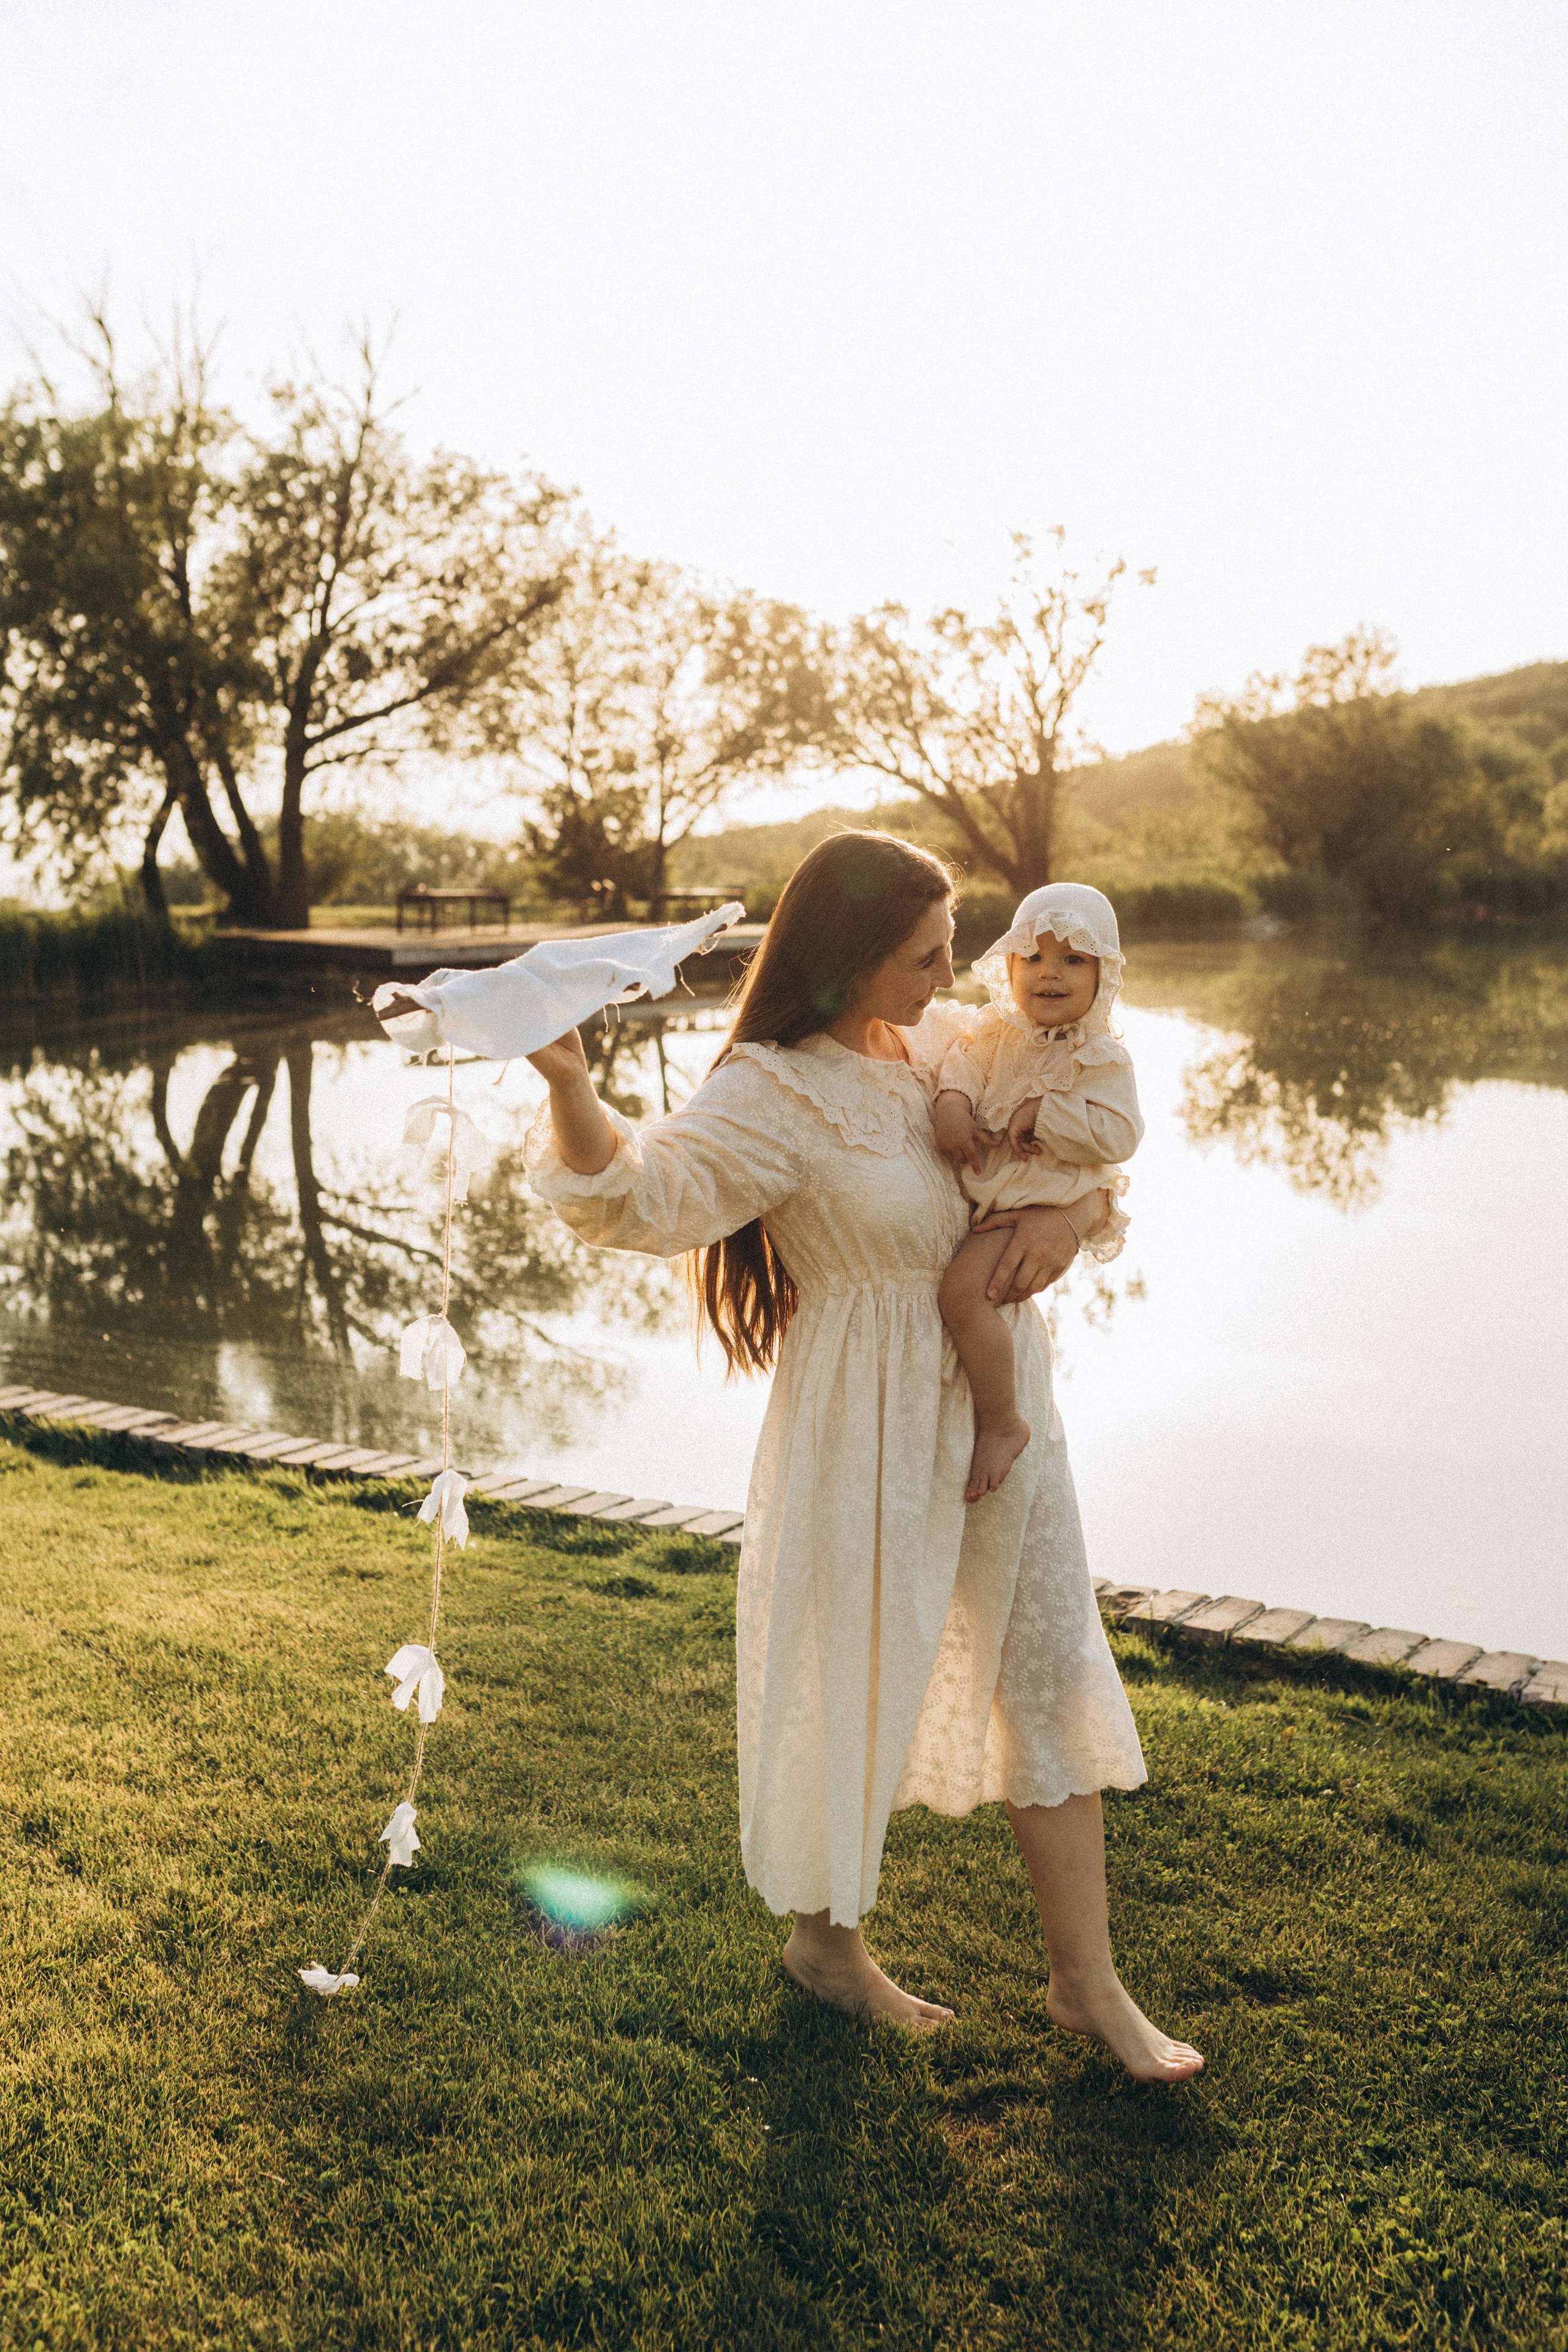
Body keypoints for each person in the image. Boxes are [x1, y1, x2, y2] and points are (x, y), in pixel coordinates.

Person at [523, 831, 1202, 2084]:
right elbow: (641, 1197)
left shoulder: (947, 1045)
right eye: (922, 956)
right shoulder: (775, 1089)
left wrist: (1070, 1215)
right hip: (866, 1418)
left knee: (1050, 1665)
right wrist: (571, 1088)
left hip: (1003, 1407)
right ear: (843, 959)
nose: (953, 977)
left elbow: (1075, 1157)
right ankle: (825, 1947)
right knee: (849, 1669)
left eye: (951, 949)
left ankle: (1086, 1983)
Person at [934, 884, 1142, 1502]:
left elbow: (1122, 1134)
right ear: (1009, 965)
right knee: (969, 1296)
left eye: (1073, 959)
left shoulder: (1102, 1057)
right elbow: (960, 1069)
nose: (1049, 973)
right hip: (998, 1202)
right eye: (1033, 957)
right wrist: (953, 1106)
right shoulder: (993, 1032)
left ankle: (1003, 1421)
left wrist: (1047, 1114)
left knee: (962, 1294)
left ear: (1103, 975)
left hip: (1034, 1207)